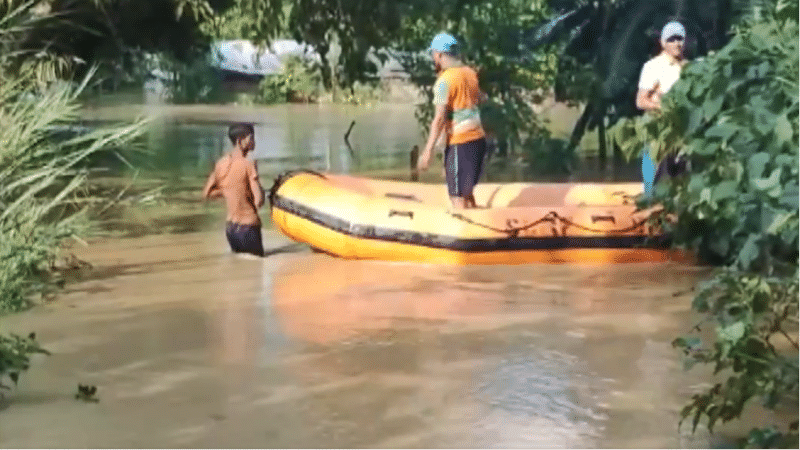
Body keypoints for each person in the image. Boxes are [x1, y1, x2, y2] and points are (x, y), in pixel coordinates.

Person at [417, 32, 488, 209]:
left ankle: (465, 233)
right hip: (478, 140)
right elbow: (480, 98)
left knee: (457, 197)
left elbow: (439, 118)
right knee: (467, 192)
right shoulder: (471, 74)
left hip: (460, 142)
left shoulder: (444, 82)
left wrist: (428, 151)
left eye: (433, 54)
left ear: (439, 55)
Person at [636, 20, 689, 198]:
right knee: (653, 175)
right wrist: (663, 106)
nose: (677, 43)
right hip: (657, 128)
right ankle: (649, 200)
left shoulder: (688, 68)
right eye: (672, 39)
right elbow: (641, 101)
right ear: (663, 42)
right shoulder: (653, 66)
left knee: (680, 176)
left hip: (680, 130)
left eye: (680, 39)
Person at [203, 123, 265, 257]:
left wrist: (228, 190)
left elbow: (207, 193)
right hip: (249, 228)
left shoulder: (221, 163)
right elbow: (259, 200)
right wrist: (257, 182)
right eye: (251, 137)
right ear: (240, 140)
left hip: (231, 230)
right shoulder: (249, 164)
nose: (254, 141)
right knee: (255, 271)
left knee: (240, 268)